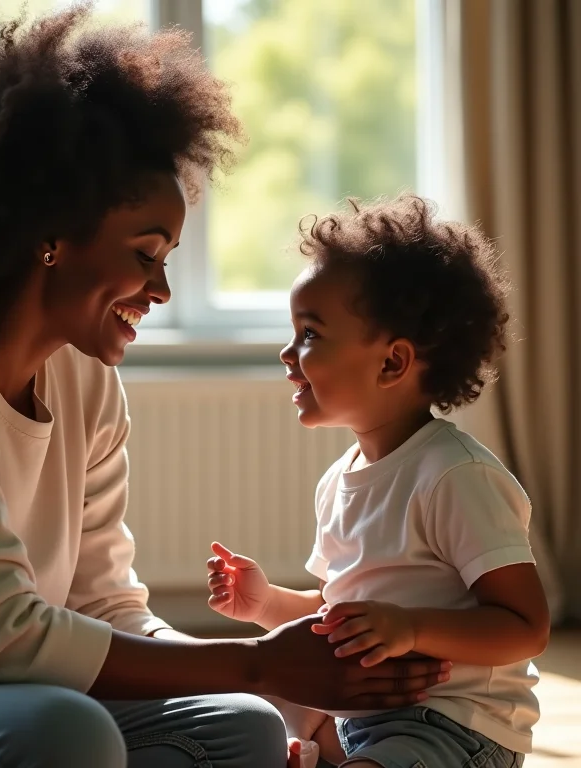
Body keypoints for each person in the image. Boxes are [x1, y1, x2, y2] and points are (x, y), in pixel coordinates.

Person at [0, 6, 447, 768]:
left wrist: (274, 681)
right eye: (147, 255)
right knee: (67, 735)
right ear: (50, 235)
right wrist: (258, 661)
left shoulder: (83, 375)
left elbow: (107, 608)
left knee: (242, 723)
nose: (163, 291)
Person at [207, 195, 550, 768]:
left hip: (456, 727)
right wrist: (268, 604)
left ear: (391, 363)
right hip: (362, 716)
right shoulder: (336, 483)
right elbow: (340, 614)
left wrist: (410, 627)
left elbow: (526, 627)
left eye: (310, 335)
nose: (288, 354)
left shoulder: (455, 476)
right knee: (254, 711)